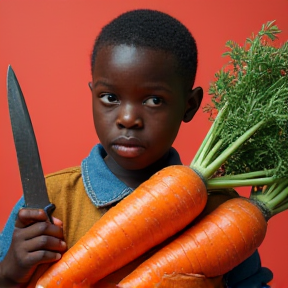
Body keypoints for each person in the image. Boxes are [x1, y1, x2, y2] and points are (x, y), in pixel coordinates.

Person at [0, 9, 273, 288]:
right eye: (110, 97)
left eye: (154, 100)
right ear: (92, 95)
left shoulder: (226, 216)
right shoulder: (51, 201)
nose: (128, 118)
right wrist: (9, 272)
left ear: (189, 105)